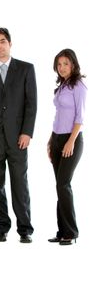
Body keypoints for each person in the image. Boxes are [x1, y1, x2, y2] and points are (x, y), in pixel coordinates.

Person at [0, 27, 37, 243]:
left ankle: (25, 229)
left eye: (3, 41)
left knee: (19, 183)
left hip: (18, 137)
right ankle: (1, 227)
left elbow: (31, 104)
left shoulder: (26, 69)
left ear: (10, 44)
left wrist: (27, 132)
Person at [47, 49, 86, 246]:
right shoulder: (62, 86)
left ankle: (71, 232)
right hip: (56, 139)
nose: (62, 68)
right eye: (59, 64)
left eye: (66, 64)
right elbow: (59, 117)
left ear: (73, 65)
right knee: (59, 186)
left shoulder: (79, 86)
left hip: (72, 140)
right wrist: (50, 141)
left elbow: (79, 118)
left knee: (64, 184)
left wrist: (70, 141)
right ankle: (62, 231)